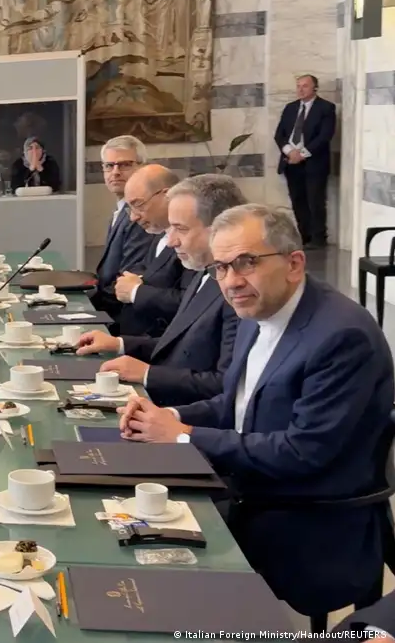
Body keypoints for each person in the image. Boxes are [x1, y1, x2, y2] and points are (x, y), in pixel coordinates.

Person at [117, 204, 394, 618]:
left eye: (247, 262)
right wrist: (168, 416)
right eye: (221, 267)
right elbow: (237, 405)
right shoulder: (256, 309)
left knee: (153, 588)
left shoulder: (341, 336)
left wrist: (184, 436)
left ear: (294, 264)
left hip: (306, 521)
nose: (232, 281)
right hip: (251, 488)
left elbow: (303, 453)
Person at [76, 174, 244, 406]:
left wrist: (147, 374)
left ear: (219, 229)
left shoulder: (236, 292)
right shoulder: (204, 273)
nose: (172, 241)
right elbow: (180, 346)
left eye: (180, 229)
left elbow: (223, 384)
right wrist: (119, 344)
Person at [112, 164, 189, 336]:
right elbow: (142, 268)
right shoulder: (157, 233)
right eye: (130, 208)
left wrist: (136, 291)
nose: (133, 217)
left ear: (168, 196)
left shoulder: (189, 243)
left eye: (138, 204)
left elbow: (190, 303)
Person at [92, 135, 156, 311]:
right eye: (109, 166)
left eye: (125, 164)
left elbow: (126, 279)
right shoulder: (122, 209)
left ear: (143, 167)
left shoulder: (140, 217)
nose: (115, 172)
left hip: (121, 315)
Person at [274, 74, 336, 248]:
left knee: (315, 201)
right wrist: (290, 152)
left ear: (315, 87)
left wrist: (302, 154)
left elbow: (325, 136)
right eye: (298, 86)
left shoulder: (326, 108)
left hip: (314, 162)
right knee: (297, 200)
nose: (300, 90)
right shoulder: (290, 108)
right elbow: (279, 135)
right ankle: (304, 236)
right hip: (290, 161)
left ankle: (318, 238)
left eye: (305, 86)